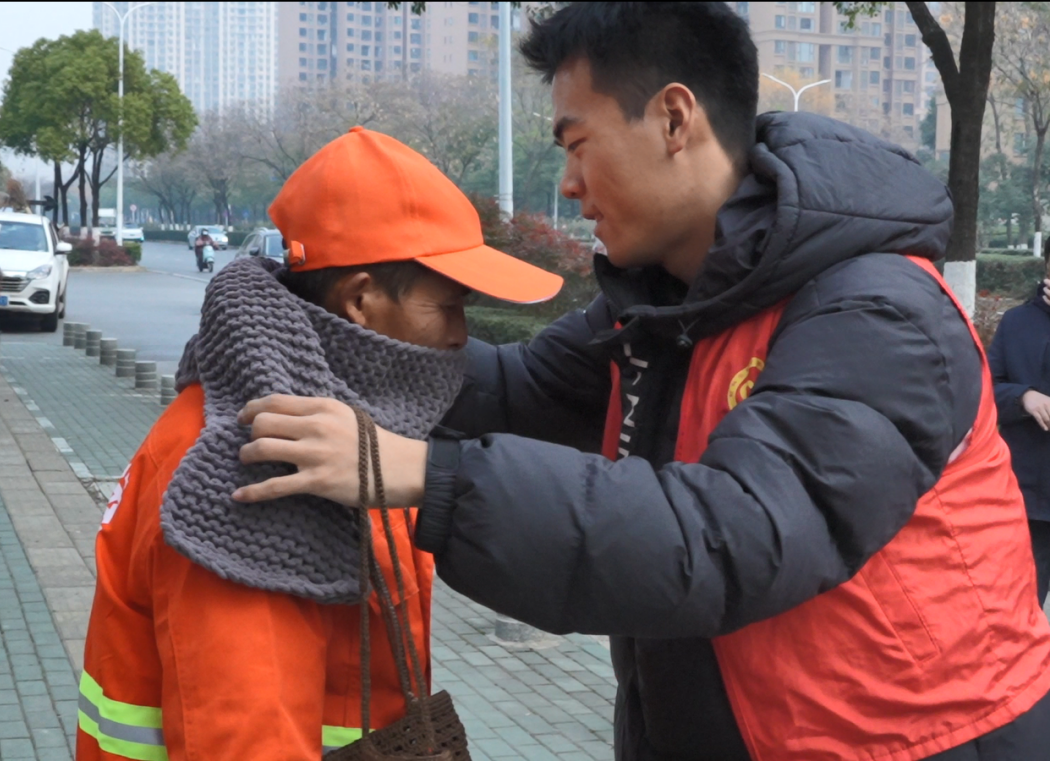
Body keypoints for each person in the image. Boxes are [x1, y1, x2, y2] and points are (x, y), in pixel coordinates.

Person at [234, 4, 1050, 760]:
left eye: (576, 143)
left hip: (919, 740)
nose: (568, 183)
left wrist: (423, 475)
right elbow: (517, 390)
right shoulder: (672, 302)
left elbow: (733, 534)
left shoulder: (879, 310)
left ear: (673, 119)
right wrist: (318, 318)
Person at [76, 126, 561, 761]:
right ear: (360, 300)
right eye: (447, 307)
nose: (461, 337)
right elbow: (247, 737)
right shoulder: (257, 463)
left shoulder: (342, 424)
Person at [990, 265, 1050, 604]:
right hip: (1029, 492)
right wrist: (1023, 396)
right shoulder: (1016, 322)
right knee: (1024, 604)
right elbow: (984, 389)